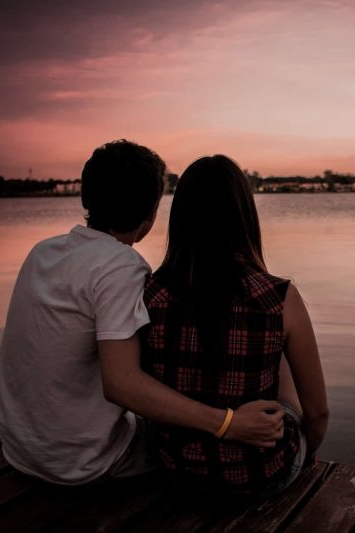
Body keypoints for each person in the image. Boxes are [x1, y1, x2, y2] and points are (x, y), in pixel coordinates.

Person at [0, 140, 285, 485]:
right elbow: (121, 385)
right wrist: (227, 423)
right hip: (80, 462)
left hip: (19, 448)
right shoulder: (121, 267)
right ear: (150, 215)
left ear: (86, 198)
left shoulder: (42, 253)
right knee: (182, 441)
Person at [142, 154, 329, 494]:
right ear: (244, 216)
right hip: (259, 474)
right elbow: (318, 413)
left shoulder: (149, 293)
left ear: (180, 217)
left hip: (175, 470)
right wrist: (305, 455)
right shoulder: (279, 297)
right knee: (283, 351)